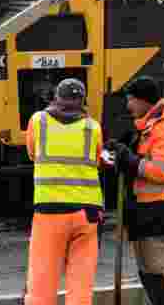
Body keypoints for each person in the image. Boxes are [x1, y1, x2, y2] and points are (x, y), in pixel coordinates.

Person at [113, 76, 164, 305]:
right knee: (150, 274)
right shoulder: (150, 128)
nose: (128, 105)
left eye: (131, 100)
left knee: (160, 274)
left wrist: (131, 161)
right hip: (148, 210)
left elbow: (162, 172)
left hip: (161, 211)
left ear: (144, 101)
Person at [24, 78, 106, 305]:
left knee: (42, 282)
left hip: (50, 211)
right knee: (81, 285)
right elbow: (98, 159)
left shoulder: (38, 121)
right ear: (82, 101)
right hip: (87, 213)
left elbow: (32, 153)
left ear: (56, 98)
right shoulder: (93, 127)